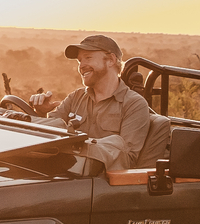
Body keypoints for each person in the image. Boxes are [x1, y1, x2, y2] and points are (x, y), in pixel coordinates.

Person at [26, 34, 156, 173]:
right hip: (64, 173)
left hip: (99, 180)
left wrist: (78, 146)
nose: (81, 66)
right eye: (79, 61)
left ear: (111, 60)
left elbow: (126, 159)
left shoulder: (134, 104)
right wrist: (41, 113)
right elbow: (49, 134)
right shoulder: (76, 97)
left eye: (88, 58)